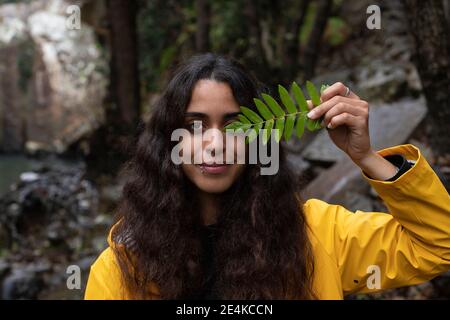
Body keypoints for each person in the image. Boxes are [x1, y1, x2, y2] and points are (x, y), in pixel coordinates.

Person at [84, 53, 450, 300]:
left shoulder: (318, 236)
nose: (216, 144)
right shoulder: (122, 268)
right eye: (194, 126)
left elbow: (438, 246)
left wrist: (365, 156)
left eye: (233, 125)